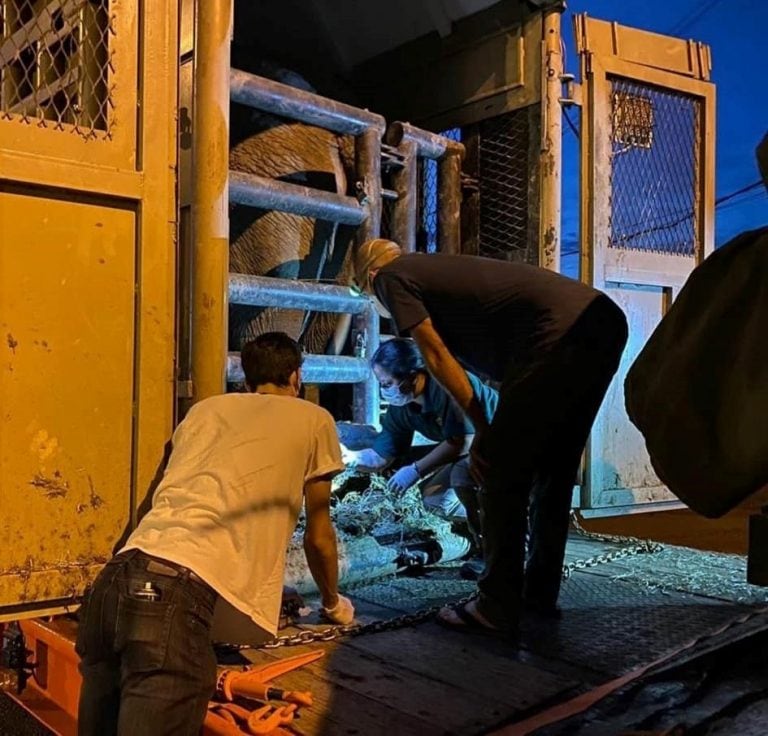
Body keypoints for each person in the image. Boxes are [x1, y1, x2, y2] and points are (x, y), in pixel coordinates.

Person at [76, 332, 353, 736]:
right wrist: (333, 603)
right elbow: (319, 535)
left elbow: (156, 502)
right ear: (296, 377)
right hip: (174, 599)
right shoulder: (314, 419)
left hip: (113, 584)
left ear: (245, 379)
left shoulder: (204, 411)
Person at [353, 240, 628, 637]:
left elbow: (434, 355)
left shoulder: (393, 277)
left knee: (497, 472)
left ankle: (496, 604)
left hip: (556, 330)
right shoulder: (441, 278)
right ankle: (538, 594)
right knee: (555, 466)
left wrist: (485, 428)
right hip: (601, 321)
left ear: (371, 278)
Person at [342, 337, 498, 563]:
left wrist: (416, 469)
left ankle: (498, 545)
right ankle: (490, 525)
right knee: (434, 500)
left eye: (387, 384)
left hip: (504, 440)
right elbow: (381, 456)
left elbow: (464, 440)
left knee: (462, 475)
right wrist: (350, 457)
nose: (384, 390)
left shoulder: (448, 384)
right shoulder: (403, 408)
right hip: (473, 451)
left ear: (414, 377)